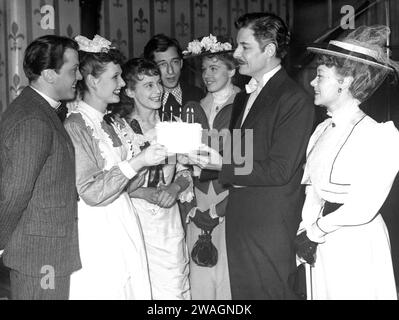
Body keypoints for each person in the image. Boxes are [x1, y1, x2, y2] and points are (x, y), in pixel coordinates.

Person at [186, 13, 315, 299]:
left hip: (269, 226)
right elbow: (239, 156)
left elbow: (280, 170)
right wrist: (199, 156)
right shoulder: (245, 96)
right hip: (240, 220)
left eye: (245, 47)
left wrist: (221, 164)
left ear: (269, 51)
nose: (236, 54)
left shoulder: (294, 99)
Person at [296, 25, 399, 300]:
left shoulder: (379, 135)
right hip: (322, 244)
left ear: (346, 81)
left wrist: (316, 231)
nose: (312, 83)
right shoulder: (320, 131)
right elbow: (312, 192)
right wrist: (304, 231)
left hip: (357, 245)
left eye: (320, 77)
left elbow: (363, 207)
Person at [64, 35, 167, 299]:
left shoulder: (112, 123)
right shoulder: (76, 126)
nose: (122, 83)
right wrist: (139, 162)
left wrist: (154, 158)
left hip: (124, 220)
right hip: (98, 228)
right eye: (116, 77)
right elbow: (91, 191)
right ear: (93, 81)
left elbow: (128, 184)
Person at [0, 35, 82, 300]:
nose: (78, 76)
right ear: (48, 74)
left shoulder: (39, 110)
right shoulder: (34, 119)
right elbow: (14, 192)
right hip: (40, 253)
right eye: (73, 70)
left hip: (44, 250)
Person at [105, 57, 192, 300]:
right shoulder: (117, 128)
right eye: (148, 85)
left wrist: (174, 188)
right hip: (133, 217)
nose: (157, 91)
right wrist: (144, 192)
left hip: (167, 222)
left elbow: (185, 172)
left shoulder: (174, 124)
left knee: (173, 288)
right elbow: (109, 180)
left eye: (158, 83)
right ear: (130, 91)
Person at [181, 34, 239, 300]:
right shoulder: (193, 108)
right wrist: (195, 206)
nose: (206, 74)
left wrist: (219, 210)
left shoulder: (245, 106)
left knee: (228, 283)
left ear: (233, 69)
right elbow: (182, 162)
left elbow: (244, 165)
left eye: (214, 68)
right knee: (200, 284)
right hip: (199, 204)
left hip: (232, 205)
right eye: (204, 69)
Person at [143, 34, 204, 118]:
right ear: (151, 68)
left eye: (175, 62)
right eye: (163, 64)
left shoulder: (198, 96)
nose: (170, 71)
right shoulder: (144, 101)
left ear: (181, 63)